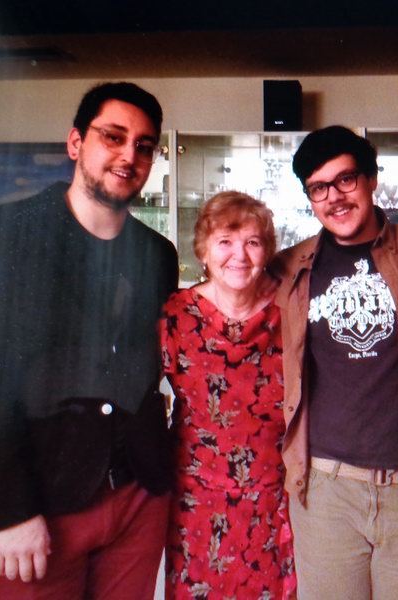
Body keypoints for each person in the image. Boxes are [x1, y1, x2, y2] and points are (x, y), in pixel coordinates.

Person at [0, 82, 178, 599]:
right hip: (41, 501)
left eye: (144, 146)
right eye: (113, 137)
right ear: (76, 143)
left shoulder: (158, 254)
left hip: (138, 496)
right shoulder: (5, 235)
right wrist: (10, 510)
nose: (129, 155)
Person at [273, 125, 398, 599]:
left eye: (345, 180)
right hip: (326, 491)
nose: (334, 198)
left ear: (372, 179)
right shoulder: (291, 267)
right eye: (319, 188)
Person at [160, 191, 294, 600]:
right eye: (225, 242)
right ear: (203, 251)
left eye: (252, 242)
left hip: (272, 499)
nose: (239, 255)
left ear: (267, 251)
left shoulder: (291, 313)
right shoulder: (176, 315)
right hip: (196, 501)